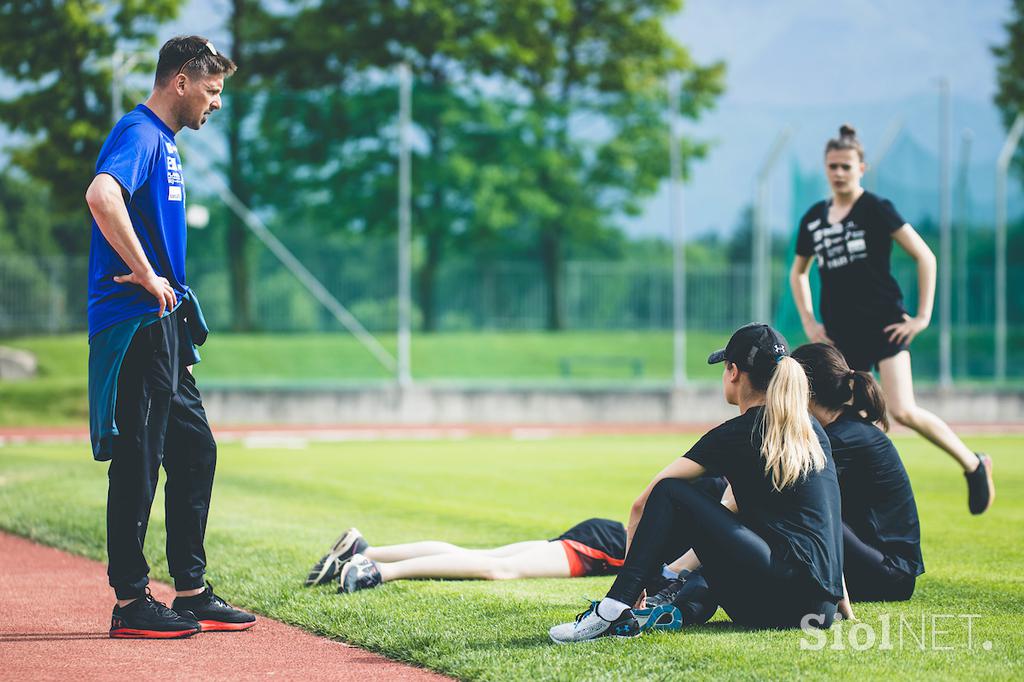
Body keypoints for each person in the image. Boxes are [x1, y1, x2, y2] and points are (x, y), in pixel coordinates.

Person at [86, 36, 254, 639]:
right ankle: (131, 604)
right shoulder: (139, 132)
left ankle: (192, 589)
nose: (215, 105)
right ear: (180, 80)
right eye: (211, 92)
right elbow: (102, 195)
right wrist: (148, 271)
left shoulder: (165, 143)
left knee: (194, 450)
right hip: (135, 324)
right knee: (139, 458)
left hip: (165, 325)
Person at [549, 324, 847, 643]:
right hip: (820, 610)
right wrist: (841, 601)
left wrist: (636, 586)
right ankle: (675, 607)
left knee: (670, 492)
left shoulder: (737, 433)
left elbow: (645, 501)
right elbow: (824, 522)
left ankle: (612, 612)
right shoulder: (810, 430)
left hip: (779, 605)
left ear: (733, 372)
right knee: (731, 519)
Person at [789, 124, 994, 515]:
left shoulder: (876, 209)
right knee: (844, 417)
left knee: (901, 410)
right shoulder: (815, 218)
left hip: (885, 325)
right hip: (840, 335)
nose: (839, 173)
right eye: (832, 166)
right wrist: (810, 322)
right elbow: (799, 272)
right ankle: (849, 501)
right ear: (825, 168)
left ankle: (973, 463)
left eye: (846, 166)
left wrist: (922, 316)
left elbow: (925, 256)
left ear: (861, 167)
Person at [791, 343, 924, 601]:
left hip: (889, 574)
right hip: (885, 567)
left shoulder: (842, 438)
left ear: (804, 391)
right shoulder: (846, 428)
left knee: (791, 503)